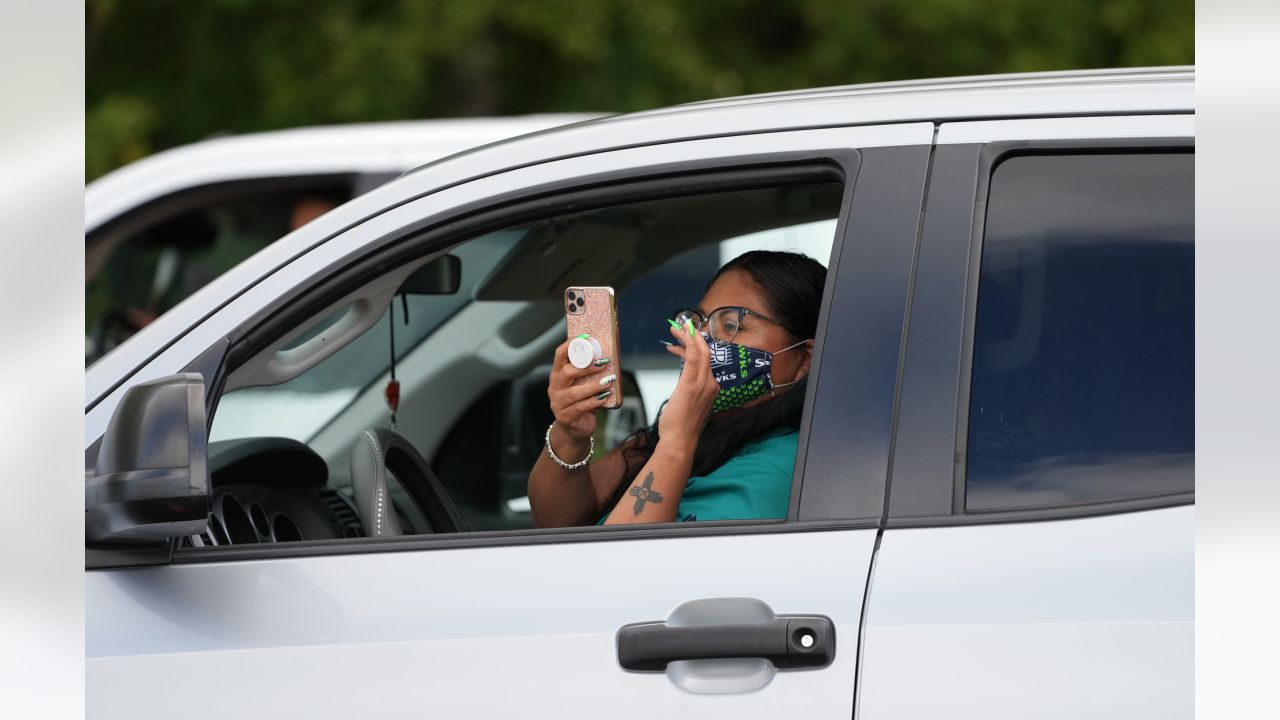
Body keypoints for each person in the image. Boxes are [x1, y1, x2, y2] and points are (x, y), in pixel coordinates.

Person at [528, 250, 826, 526]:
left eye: (732, 325)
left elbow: (618, 568)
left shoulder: (776, 470)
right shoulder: (702, 431)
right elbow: (555, 524)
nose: (704, 342)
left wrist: (678, 440)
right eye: (701, 323)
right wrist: (570, 434)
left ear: (805, 359)